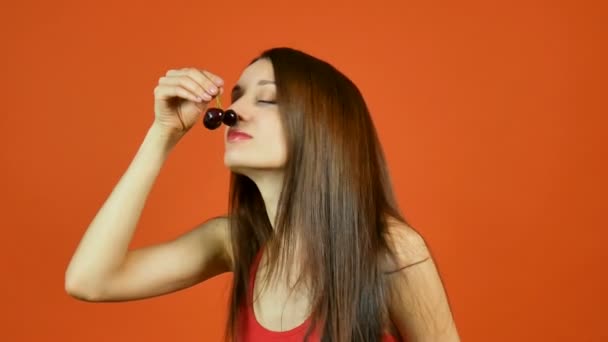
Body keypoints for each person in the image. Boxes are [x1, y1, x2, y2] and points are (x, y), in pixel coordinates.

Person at [65, 47, 460, 342]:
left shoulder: (391, 251)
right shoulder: (237, 241)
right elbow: (90, 280)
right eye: (235, 96)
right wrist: (162, 135)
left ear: (323, 128)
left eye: (267, 98)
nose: (234, 110)